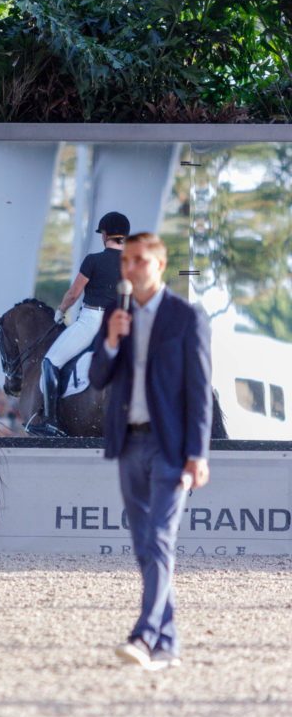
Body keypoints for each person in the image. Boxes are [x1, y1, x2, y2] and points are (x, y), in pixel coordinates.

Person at [88, 232, 212, 671]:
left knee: (159, 536)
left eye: (140, 261)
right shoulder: (116, 313)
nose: (131, 268)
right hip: (128, 442)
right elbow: (98, 377)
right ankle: (168, 643)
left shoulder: (186, 317)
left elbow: (199, 392)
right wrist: (110, 343)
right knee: (144, 544)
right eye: (127, 262)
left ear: (159, 265)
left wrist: (198, 454)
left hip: (171, 446)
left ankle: (143, 635)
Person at [31, 210, 130, 436]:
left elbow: (74, 293)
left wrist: (61, 310)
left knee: (49, 362)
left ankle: (51, 421)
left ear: (105, 235)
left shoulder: (93, 260)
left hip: (92, 321)